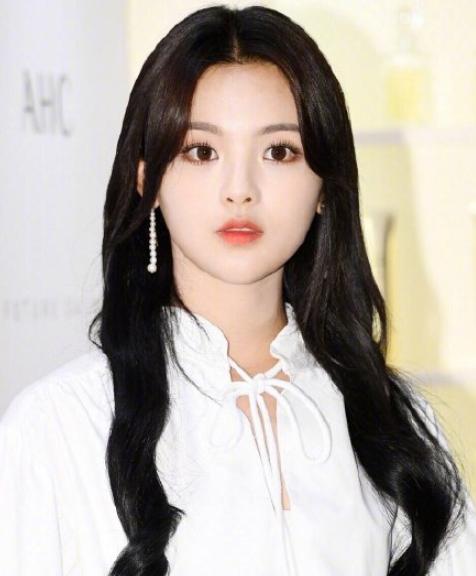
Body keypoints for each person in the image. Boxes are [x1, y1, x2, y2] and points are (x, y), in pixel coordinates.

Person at [1, 4, 475, 575]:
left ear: (325, 187)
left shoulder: (398, 426)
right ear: (149, 182)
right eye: (202, 151)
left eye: (279, 152)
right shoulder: (57, 427)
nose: (239, 189)